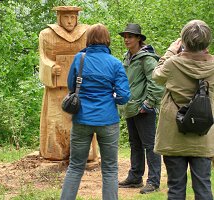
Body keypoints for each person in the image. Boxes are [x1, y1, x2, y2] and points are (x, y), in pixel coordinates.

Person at [60, 23, 130, 200]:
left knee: (75, 166)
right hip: (108, 120)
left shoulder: (79, 59)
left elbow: (70, 86)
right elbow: (123, 96)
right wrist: (110, 98)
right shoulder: (115, 63)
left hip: (82, 118)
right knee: (110, 169)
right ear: (107, 40)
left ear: (89, 39)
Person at [152, 20, 214, 200]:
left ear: (184, 41)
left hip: (174, 135)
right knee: (203, 187)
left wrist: (171, 51)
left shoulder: (172, 64)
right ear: (207, 42)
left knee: (176, 188)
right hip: (204, 135)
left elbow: (156, 75)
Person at [39, 6, 98, 161]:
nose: (70, 21)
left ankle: (84, 153)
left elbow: (93, 56)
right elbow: (43, 57)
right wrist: (51, 67)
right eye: (66, 17)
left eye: (72, 17)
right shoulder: (46, 34)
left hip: (80, 88)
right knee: (55, 119)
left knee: (81, 119)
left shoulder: (86, 33)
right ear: (59, 18)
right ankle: (56, 151)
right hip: (56, 88)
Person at [118, 23, 164, 194]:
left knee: (150, 145)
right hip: (130, 107)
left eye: (130, 36)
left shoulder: (147, 58)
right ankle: (135, 177)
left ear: (138, 38)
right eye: (125, 36)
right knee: (135, 144)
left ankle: (153, 181)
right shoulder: (127, 57)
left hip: (144, 109)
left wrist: (148, 104)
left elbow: (157, 83)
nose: (126, 39)